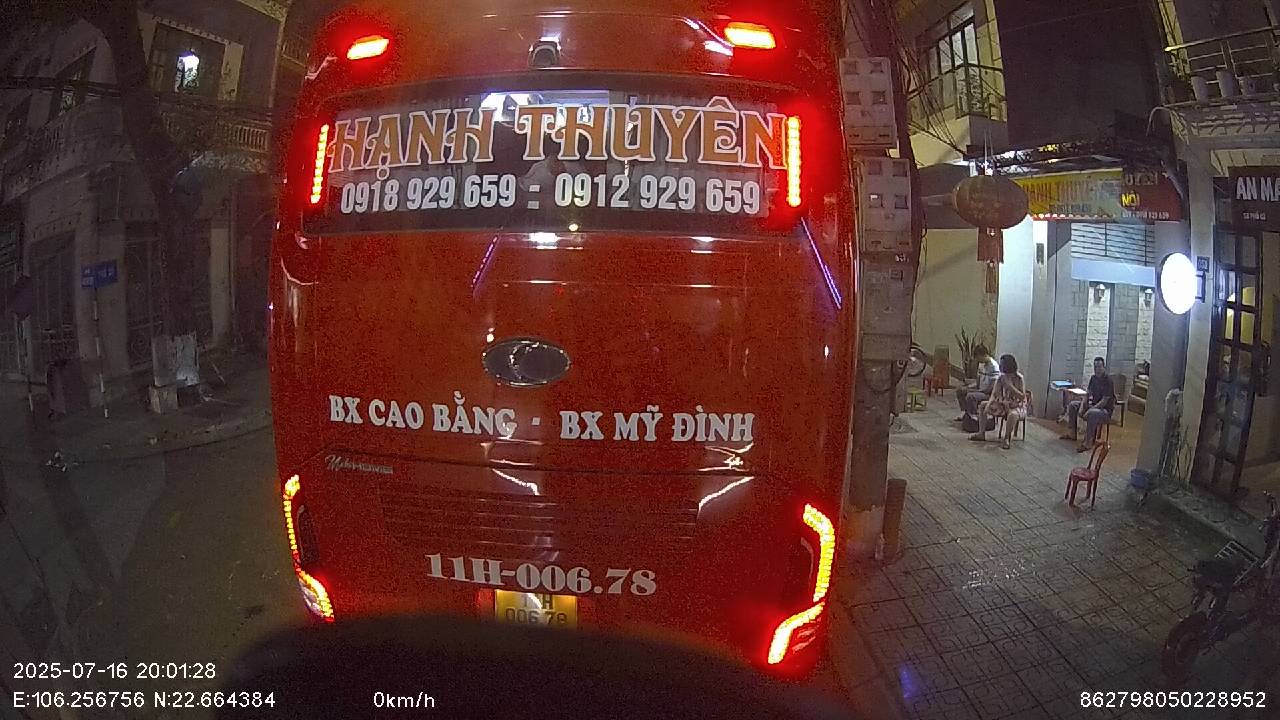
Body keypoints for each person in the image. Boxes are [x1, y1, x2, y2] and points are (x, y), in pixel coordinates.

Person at [969, 354, 1027, 449]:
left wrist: (1010, 386)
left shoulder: (1019, 378)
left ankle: (1007, 438)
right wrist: (989, 404)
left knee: (1013, 415)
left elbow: (1022, 396)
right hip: (1003, 403)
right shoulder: (1001, 378)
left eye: (1002, 364)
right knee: (983, 405)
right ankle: (981, 433)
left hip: (1017, 405)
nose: (1000, 366)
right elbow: (994, 393)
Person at [1061, 356, 1115, 452]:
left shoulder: (1108, 381)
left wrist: (1090, 410)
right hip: (1093, 405)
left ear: (1104, 367)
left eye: (1099, 367)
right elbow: (1087, 394)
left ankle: (1088, 442)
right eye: (1095, 367)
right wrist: (1082, 406)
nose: (1097, 369)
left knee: (1092, 413)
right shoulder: (1093, 378)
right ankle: (1072, 433)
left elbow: (1104, 401)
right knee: (1073, 405)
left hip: (1104, 410)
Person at [954, 345, 999, 422]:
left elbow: (992, 387)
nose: (977, 360)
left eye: (978, 357)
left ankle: (973, 415)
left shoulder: (994, 367)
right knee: (960, 390)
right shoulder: (981, 365)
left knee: (971, 396)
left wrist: (977, 391)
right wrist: (969, 387)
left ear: (983, 355)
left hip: (988, 393)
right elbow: (978, 381)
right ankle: (964, 412)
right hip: (980, 389)